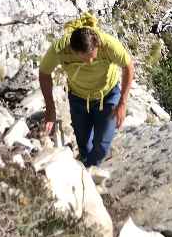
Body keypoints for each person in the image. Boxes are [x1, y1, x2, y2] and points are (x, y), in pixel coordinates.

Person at [39, 13, 135, 168]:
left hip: (107, 95)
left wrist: (122, 103)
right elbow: (44, 73)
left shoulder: (108, 44)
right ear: (73, 50)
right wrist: (50, 109)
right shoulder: (60, 49)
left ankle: (89, 170)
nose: (89, 62)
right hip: (78, 97)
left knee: (102, 144)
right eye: (84, 58)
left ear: (97, 45)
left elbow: (128, 66)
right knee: (83, 143)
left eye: (92, 57)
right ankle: (86, 165)